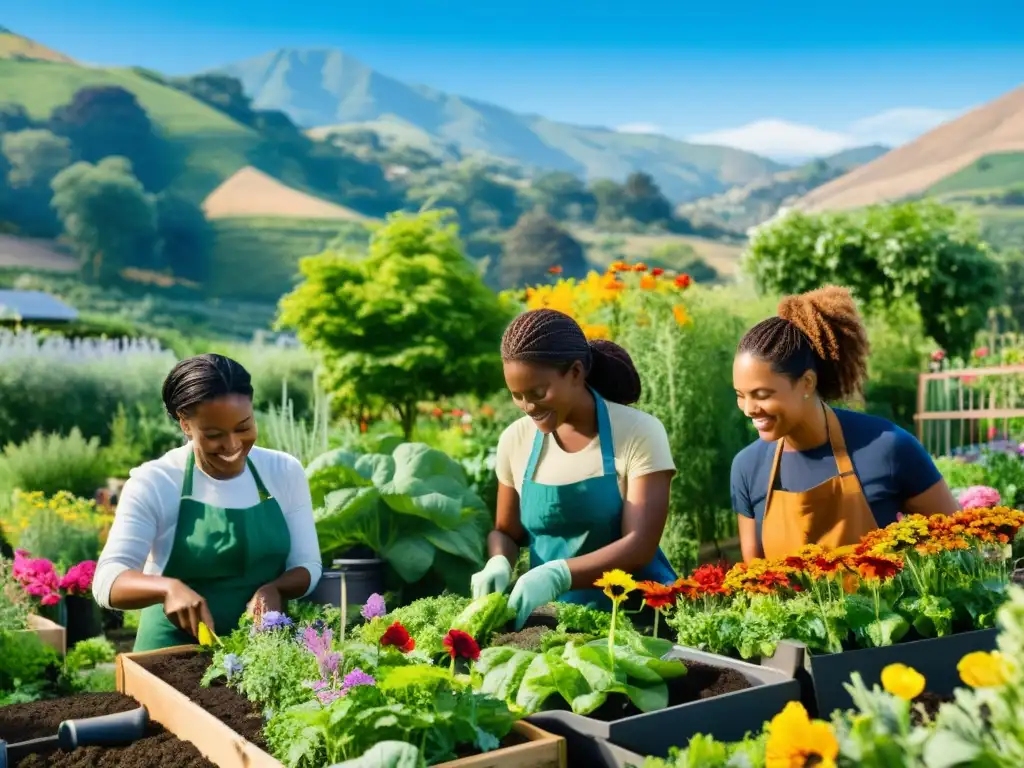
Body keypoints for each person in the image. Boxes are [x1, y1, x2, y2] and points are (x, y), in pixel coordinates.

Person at [93, 354, 322, 651]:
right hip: (171, 655)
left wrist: (277, 588)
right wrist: (167, 589)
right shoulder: (156, 481)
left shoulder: (283, 471)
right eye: (213, 434)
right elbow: (107, 581)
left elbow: (308, 564)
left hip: (263, 657)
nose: (232, 445)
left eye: (243, 427)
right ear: (185, 424)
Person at [472, 309, 677, 629]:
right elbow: (506, 531)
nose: (528, 407)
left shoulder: (637, 432)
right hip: (551, 624)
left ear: (576, 372)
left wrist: (558, 574)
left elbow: (640, 545)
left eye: (539, 393)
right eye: (517, 396)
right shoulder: (516, 439)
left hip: (634, 623)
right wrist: (499, 560)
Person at [730, 285, 958, 563]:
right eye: (741, 396)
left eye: (762, 395)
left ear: (807, 383)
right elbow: (753, 583)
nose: (749, 409)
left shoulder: (888, 447)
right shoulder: (748, 467)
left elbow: (960, 542)